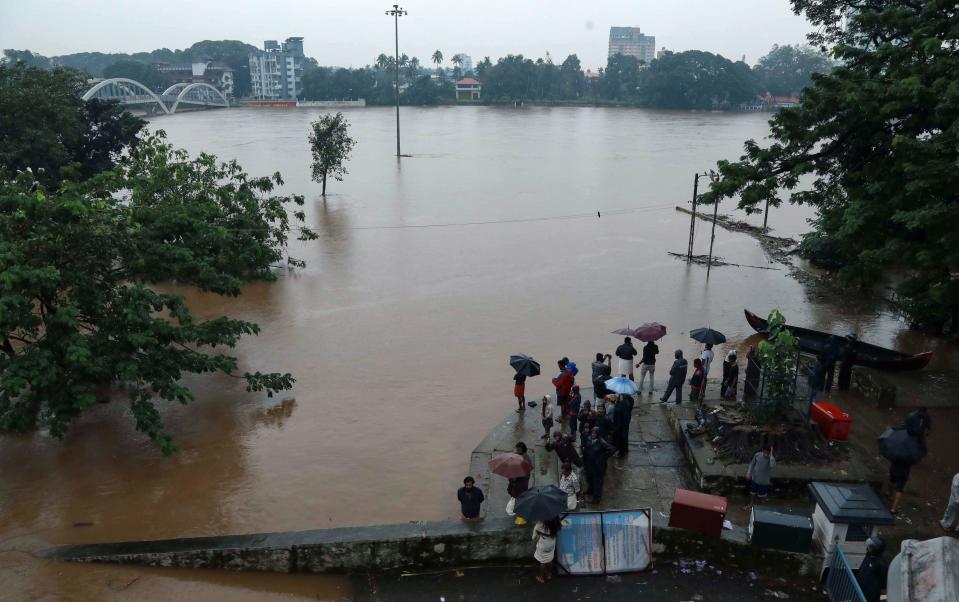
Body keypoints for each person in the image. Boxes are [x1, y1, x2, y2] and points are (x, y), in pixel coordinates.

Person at [583, 427, 617, 503]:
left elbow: (612, 449)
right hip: (589, 464)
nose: (593, 434)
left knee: (597, 482)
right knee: (590, 478)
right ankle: (590, 490)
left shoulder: (601, 442)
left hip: (598, 466)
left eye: (595, 433)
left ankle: (596, 498)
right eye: (592, 433)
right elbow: (586, 449)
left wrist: (603, 457)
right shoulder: (589, 439)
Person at [855, 536, 888, 602]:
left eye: (870, 547)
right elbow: (862, 569)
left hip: (871, 593)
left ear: (876, 549)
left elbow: (884, 581)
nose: (868, 548)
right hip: (860, 588)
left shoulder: (881, 563)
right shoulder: (868, 556)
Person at [744, 444, 776, 510]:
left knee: (762, 496)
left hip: (764, 481)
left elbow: (772, 466)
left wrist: (771, 455)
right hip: (755, 478)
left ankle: (761, 508)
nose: (766, 454)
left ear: (770, 452)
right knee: (752, 493)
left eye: (768, 453)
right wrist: (749, 473)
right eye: (764, 452)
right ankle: (751, 504)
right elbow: (752, 464)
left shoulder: (771, 459)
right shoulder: (757, 455)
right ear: (762, 451)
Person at [508, 442, 533, 525]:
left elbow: (525, 470)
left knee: (520, 498)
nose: (517, 451)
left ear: (523, 449)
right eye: (517, 449)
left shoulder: (526, 458)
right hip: (515, 483)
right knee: (516, 496)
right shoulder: (516, 456)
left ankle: (521, 514)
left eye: (519, 449)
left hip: (522, 482)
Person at [532, 517, 562, 583]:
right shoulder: (555, 522)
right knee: (550, 559)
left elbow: (534, 538)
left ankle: (541, 578)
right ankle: (549, 574)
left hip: (543, 546)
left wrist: (540, 535)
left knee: (543, 562)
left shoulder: (539, 525)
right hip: (552, 544)